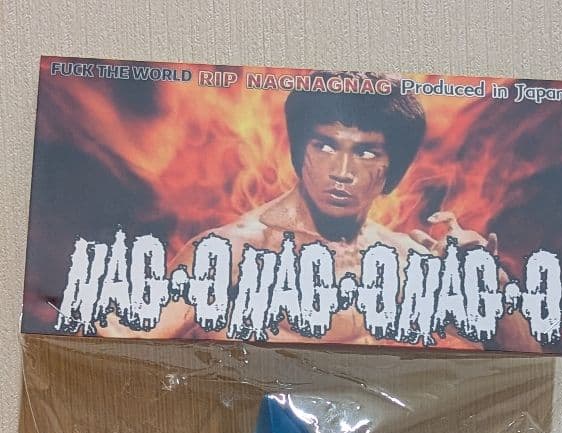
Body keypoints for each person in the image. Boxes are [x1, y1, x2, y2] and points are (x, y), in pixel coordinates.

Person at [104, 75, 538, 350]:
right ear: (299, 151)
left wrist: (492, 282)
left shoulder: (407, 258)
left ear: (393, 170)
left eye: (366, 152)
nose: (342, 171)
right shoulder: (231, 253)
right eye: (326, 146)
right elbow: (121, 342)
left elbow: (527, 366)